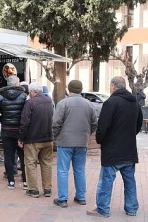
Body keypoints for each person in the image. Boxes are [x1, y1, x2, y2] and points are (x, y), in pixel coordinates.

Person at [87, 76, 143, 218]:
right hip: (129, 150)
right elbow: (138, 124)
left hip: (112, 150)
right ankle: (131, 208)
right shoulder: (134, 103)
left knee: (106, 180)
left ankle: (102, 208)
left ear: (113, 86)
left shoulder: (110, 103)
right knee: (130, 181)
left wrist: (100, 140)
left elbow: (103, 126)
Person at [52, 80, 98, 208]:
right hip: (82, 142)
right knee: (80, 169)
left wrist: (56, 136)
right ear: (81, 90)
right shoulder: (89, 105)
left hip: (65, 141)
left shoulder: (63, 103)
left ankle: (62, 198)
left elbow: (56, 123)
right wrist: (87, 134)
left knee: (62, 170)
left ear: (69, 89)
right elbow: (94, 124)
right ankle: (81, 197)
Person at [19, 82, 54, 198]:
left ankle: (33, 189)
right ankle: (47, 188)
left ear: (32, 92)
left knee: (30, 163)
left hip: (33, 139)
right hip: (48, 138)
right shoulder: (49, 101)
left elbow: (24, 122)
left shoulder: (30, 103)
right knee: (47, 163)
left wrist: (21, 138)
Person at [0, 75, 28, 190]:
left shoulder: (0, 96)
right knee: (23, 155)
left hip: (7, 129)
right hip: (20, 130)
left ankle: (11, 181)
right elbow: (27, 113)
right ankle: (25, 180)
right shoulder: (24, 96)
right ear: (17, 84)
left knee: (8, 155)